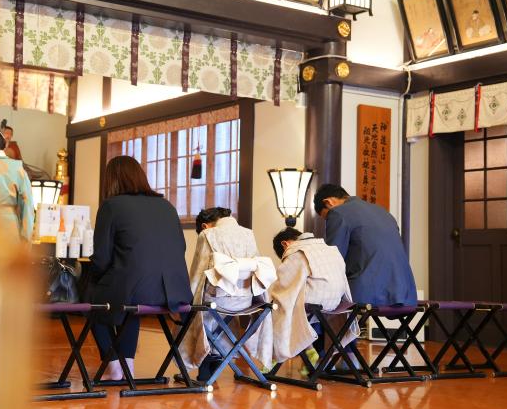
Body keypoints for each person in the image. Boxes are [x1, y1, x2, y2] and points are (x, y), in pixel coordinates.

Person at [88, 156, 192, 380]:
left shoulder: (111, 206)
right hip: (175, 292)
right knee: (128, 301)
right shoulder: (167, 206)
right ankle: (127, 365)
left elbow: (101, 259)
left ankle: (115, 367)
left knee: (92, 299)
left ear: (111, 180)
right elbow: (181, 247)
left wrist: (94, 278)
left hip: (136, 290)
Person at [180, 207, 276, 380]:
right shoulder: (248, 234)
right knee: (225, 317)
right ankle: (220, 357)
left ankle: (204, 361)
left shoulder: (208, 234)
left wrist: (186, 299)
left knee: (197, 311)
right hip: (246, 301)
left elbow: (197, 273)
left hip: (217, 301)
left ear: (205, 226)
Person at [313, 184, 417, 307]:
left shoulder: (337, 213)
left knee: (320, 304)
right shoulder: (383, 212)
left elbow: (333, 260)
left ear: (328, 202)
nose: (328, 220)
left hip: (367, 295)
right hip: (406, 296)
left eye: (326, 217)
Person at [269, 227, 358, 363]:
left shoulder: (296, 252)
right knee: (297, 302)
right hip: (336, 302)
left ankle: (275, 356)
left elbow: (283, 285)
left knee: (276, 307)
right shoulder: (330, 249)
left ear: (285, 244)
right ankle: (311, 351)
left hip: (314, 302)